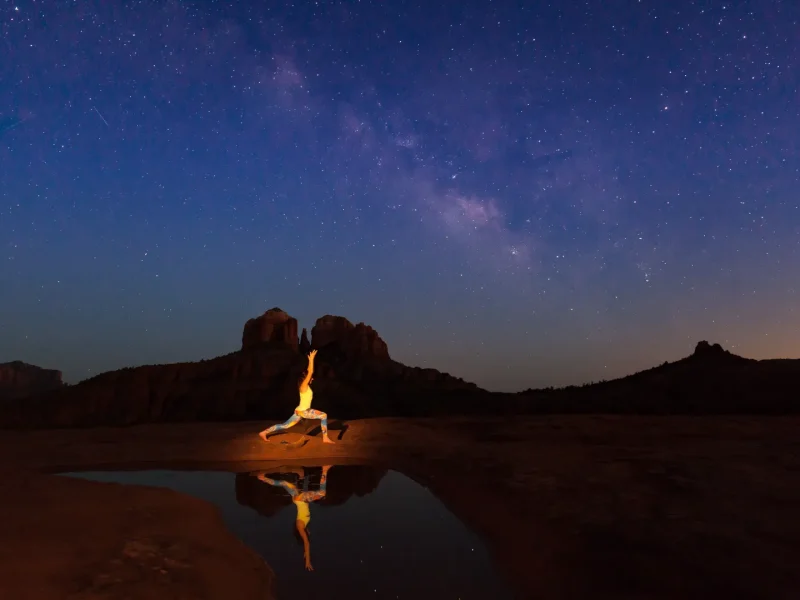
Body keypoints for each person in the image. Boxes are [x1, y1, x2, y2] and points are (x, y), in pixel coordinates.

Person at [256, 465, 332, 571]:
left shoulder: (300, 525)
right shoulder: (303, 525)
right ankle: (263, 478)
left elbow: (306, 543)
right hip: (297, 497)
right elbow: (306, 543)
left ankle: (324, 470)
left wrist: (308, 561)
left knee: (322, 493)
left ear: (300, 534)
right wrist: (305, 552)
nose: (308, 534)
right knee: (284, 484)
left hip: (301, 499)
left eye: (306, 535)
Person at [258, 349, 336, 444]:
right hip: (304, 411)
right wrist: (311, 359)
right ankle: (325, 438)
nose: (312, 378)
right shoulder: (304, 386)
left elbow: (308, 371)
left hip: (299, 411)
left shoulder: (304, 386)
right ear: (306, 379)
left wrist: (309, 362)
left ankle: (264, 432)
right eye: (310, 378)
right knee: (324, 415)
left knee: (285, 425)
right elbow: (310, 372)